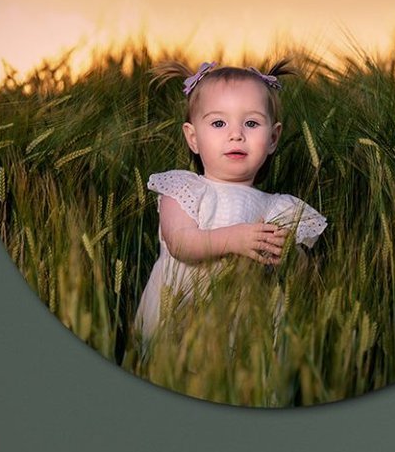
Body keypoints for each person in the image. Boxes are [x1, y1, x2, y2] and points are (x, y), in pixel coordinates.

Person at [134, 62, 328, 339]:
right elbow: (180, 242)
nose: (235, 134)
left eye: (251, 123)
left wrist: (288, 255)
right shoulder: (184, 189)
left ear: (273, 138)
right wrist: (235, 239)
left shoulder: (279, 208)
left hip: (246, 327)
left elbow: (303, 274)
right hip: (181, 319)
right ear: (193, 138)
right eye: (218, 123)